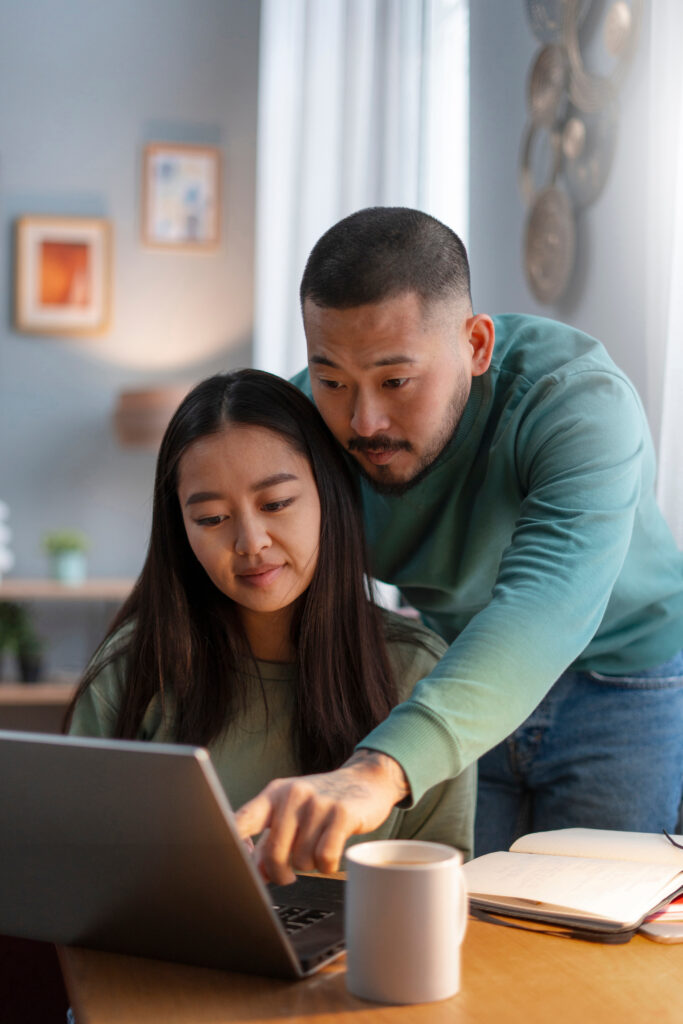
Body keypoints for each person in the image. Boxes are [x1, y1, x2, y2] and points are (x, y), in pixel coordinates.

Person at [235, 206, 683, 876]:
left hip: (620, 680)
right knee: (461, 928)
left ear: (475, 345)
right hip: (451, 676)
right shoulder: (302, 430)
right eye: (331, 379)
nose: (362, 420)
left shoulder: (575, 402)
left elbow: (546, 602)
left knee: (591, 936)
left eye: (394, 380)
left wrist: (377, 769)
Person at [64, 368, 475, 880]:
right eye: (212, 518)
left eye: (276, 504)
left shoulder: (418, 672)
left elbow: (439, 887)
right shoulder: (134, 669)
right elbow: (74, 877)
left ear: (329, 493)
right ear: (180, 529)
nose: (250, 542)